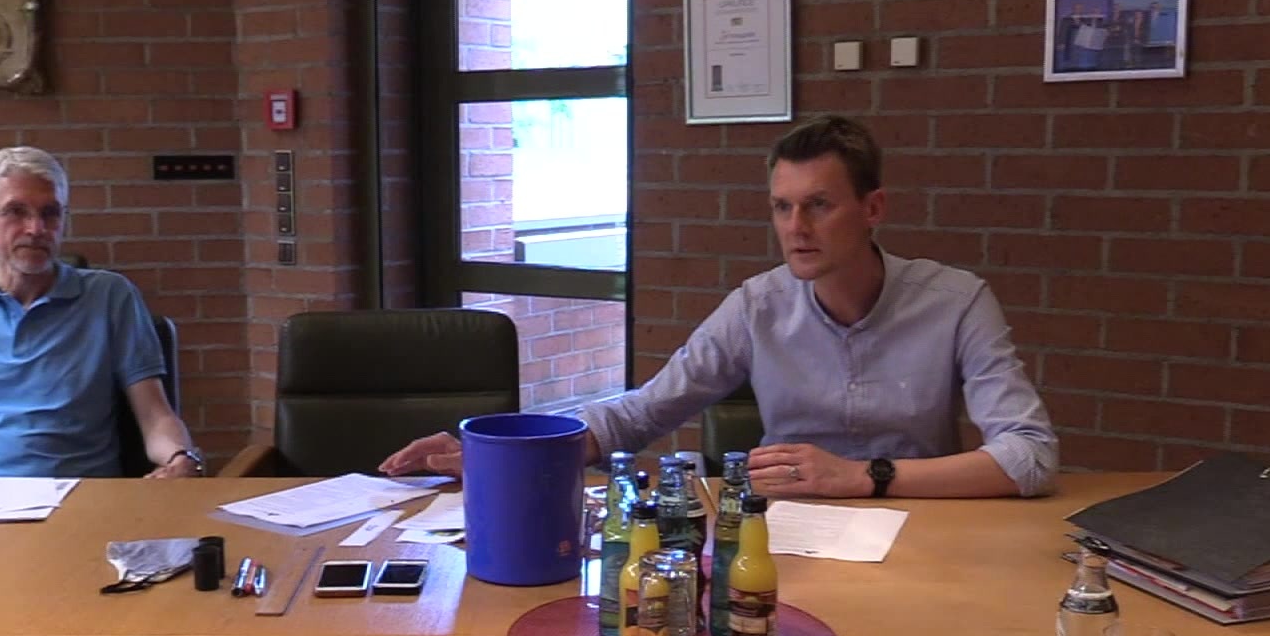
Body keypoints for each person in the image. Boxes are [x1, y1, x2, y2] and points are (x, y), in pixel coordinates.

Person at [380, 115, 1057, 499]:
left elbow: (1030, 454)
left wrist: (864, 476)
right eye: (782, 207)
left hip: (924, 526)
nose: (796, 228)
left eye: (819, 205)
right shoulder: (757, 307)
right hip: (787, 536)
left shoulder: (957, 302)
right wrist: (500, 452)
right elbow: (642, 412)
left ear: (872, 208)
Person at [0, 146, 204, 479]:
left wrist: (181, 457)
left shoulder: (110, 297)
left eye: (50, 213)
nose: (36, 228)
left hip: (84, 497)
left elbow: (156, 416)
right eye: (16, 212)